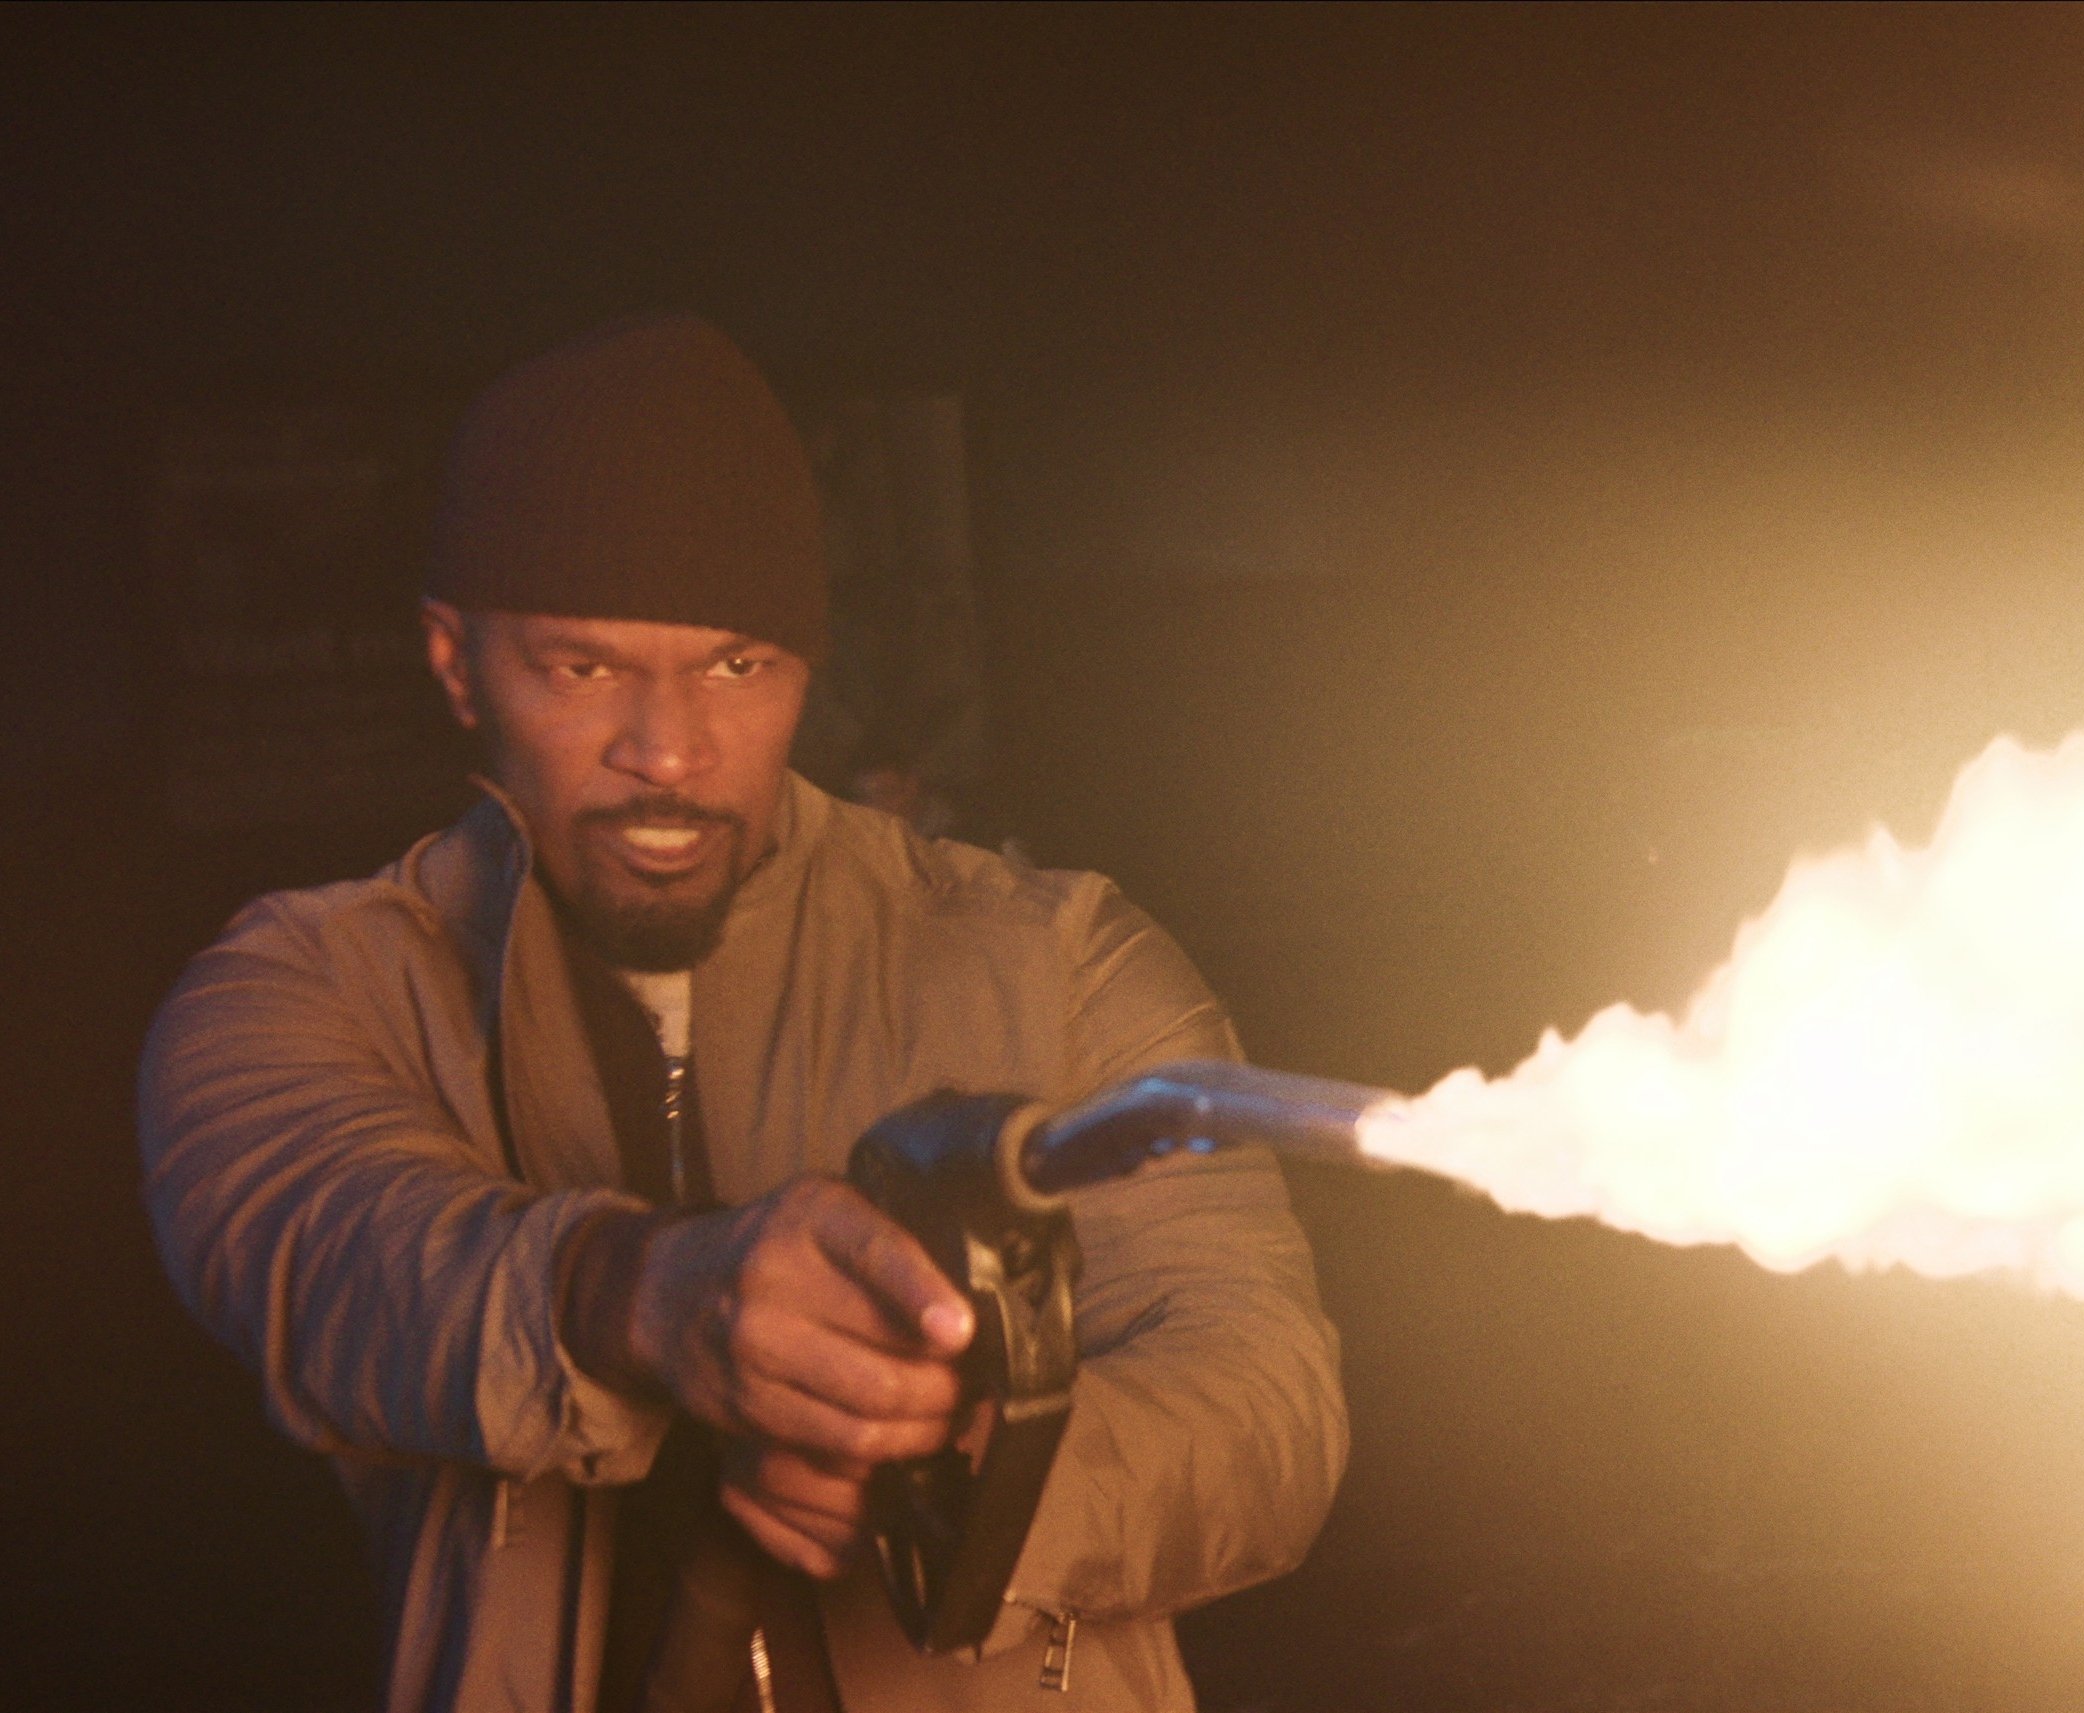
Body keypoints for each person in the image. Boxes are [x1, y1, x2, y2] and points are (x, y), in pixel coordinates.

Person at [138, 316, 1347, 1713]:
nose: (669, 751)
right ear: (457, 662)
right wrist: (642, 1295)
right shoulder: (306, 989)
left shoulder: (1062, 962)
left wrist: (974, 1474)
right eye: (584, 669)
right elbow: (329, 1252)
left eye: (735, 666)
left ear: (804, 669)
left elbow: (1267, 1404)